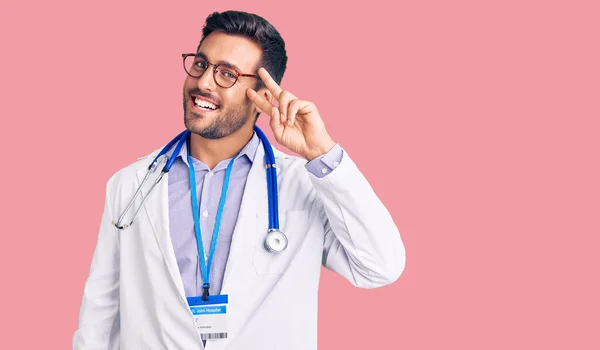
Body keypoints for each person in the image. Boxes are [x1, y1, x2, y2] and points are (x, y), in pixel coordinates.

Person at [73, 10, 406, 350]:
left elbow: (380, 266)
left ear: (262, 96)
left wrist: (323, 153)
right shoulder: (131, 185)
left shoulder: (303, 184)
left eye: (227, 74)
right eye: (201, 64)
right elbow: (101, 311)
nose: (203, 83)